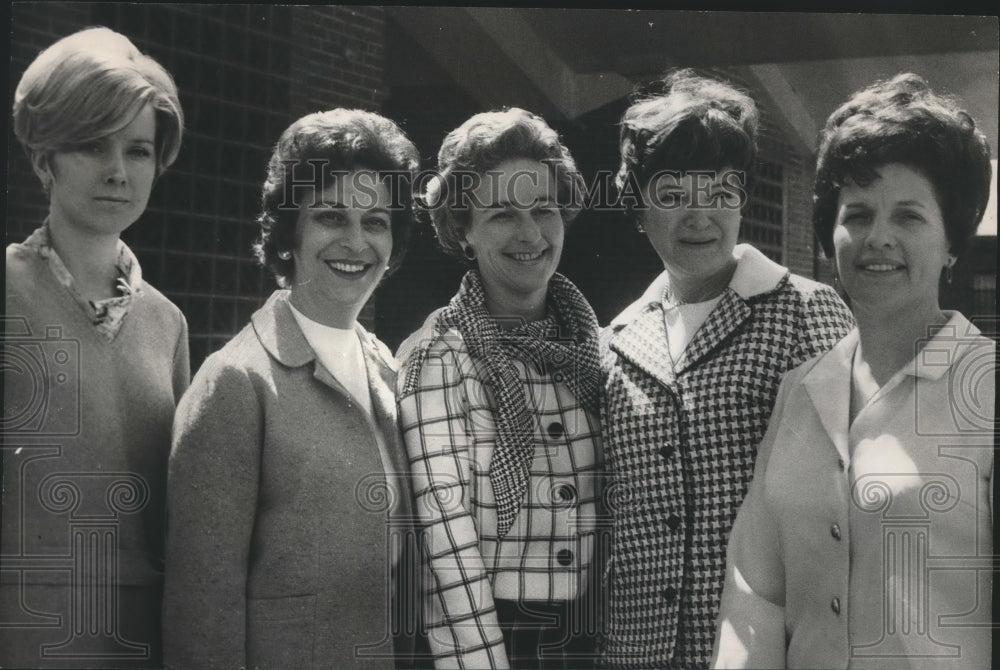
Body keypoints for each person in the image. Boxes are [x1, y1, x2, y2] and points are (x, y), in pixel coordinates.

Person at [712, 73, 994, 670]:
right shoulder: (801, 390)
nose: (878, 238)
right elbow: (755, 587)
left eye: (910, 217)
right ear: (829, 235)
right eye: (858, 214)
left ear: (951, 241)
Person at [599, 70, 855, 669]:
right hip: (637, 655)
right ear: (637, 206)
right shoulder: (614, 340)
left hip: (763, 651)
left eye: (720, 191)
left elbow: (841, 506)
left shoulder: (805, 312)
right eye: (674, 194)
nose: (701, 216)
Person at [161, 109, 421, 670]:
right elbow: (202, 614)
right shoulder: (235, 383)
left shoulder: (390, 369)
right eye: (331, 216)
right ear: (289, 233)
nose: (356, 241)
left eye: (375, 221)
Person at [2, 27, 188, 668]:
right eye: (91, 146)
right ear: (44, 158)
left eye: (137, 151)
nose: (117, 171)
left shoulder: (167, 324)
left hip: (137, 638)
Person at [396, 108, 603, 669]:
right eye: (502, 215)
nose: (531, 234)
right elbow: (448, 549)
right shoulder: (438, 358)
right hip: (496, 639)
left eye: (543, 209)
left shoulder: (596, 348)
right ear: (463, 229)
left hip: (599, 638)